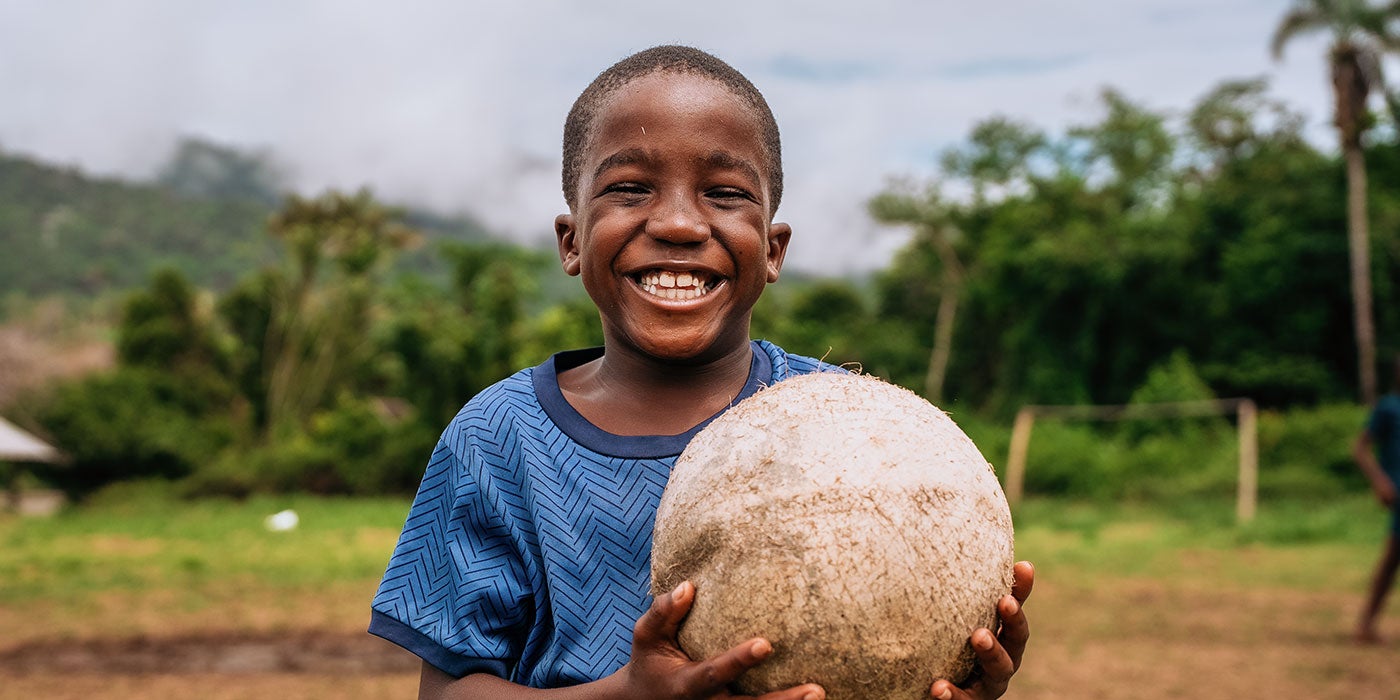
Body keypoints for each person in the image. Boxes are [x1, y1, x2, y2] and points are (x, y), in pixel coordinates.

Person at [369, 45, 1034, 699]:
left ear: (772, 250)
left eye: (724, 194)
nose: (680, 223)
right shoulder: (497, 438)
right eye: (630, 188)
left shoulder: (854, 427)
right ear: (572, 242)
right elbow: (446, 693)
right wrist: (629, 697)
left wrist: (947, 671)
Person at [1353, 357, 1400, 644]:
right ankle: (1365, 624)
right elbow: (1360, 448)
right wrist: (1379, 481)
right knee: (1393, 557)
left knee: (1393, 557)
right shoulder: (1388, 407)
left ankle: (1366, 624)